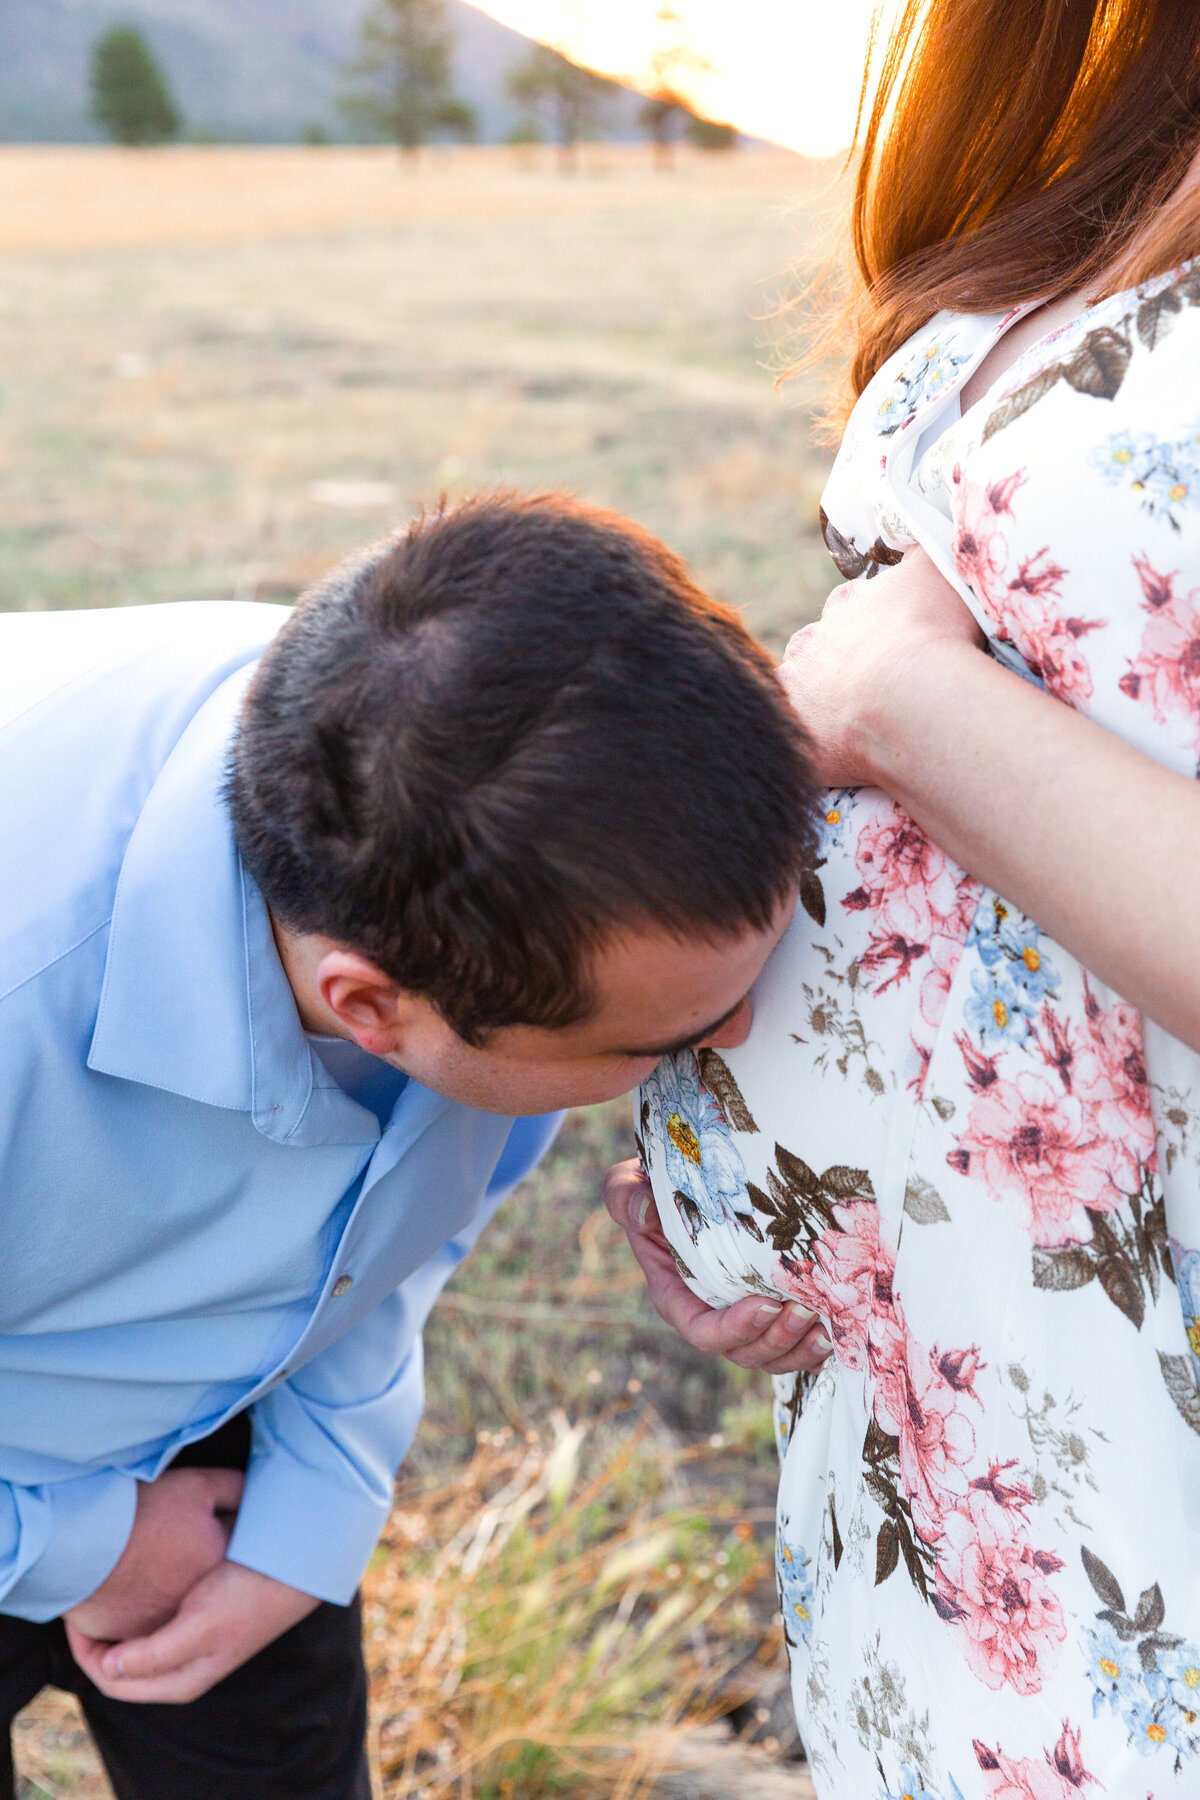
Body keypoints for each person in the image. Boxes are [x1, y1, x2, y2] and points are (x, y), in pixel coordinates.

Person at [0, 492, 819, 1800]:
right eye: (659, 1041)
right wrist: (81, 1543)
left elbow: (378, 1240)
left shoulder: (453, 795)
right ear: (369, 1006)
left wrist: (305, 1532)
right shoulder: (23, 985)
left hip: (238, 1437)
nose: (735, 1041)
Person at [605, 4, 1200, 1794]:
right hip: (939, 1441)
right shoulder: (1115, 149)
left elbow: (915, 694)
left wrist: (895, 700)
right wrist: (759, 1184)